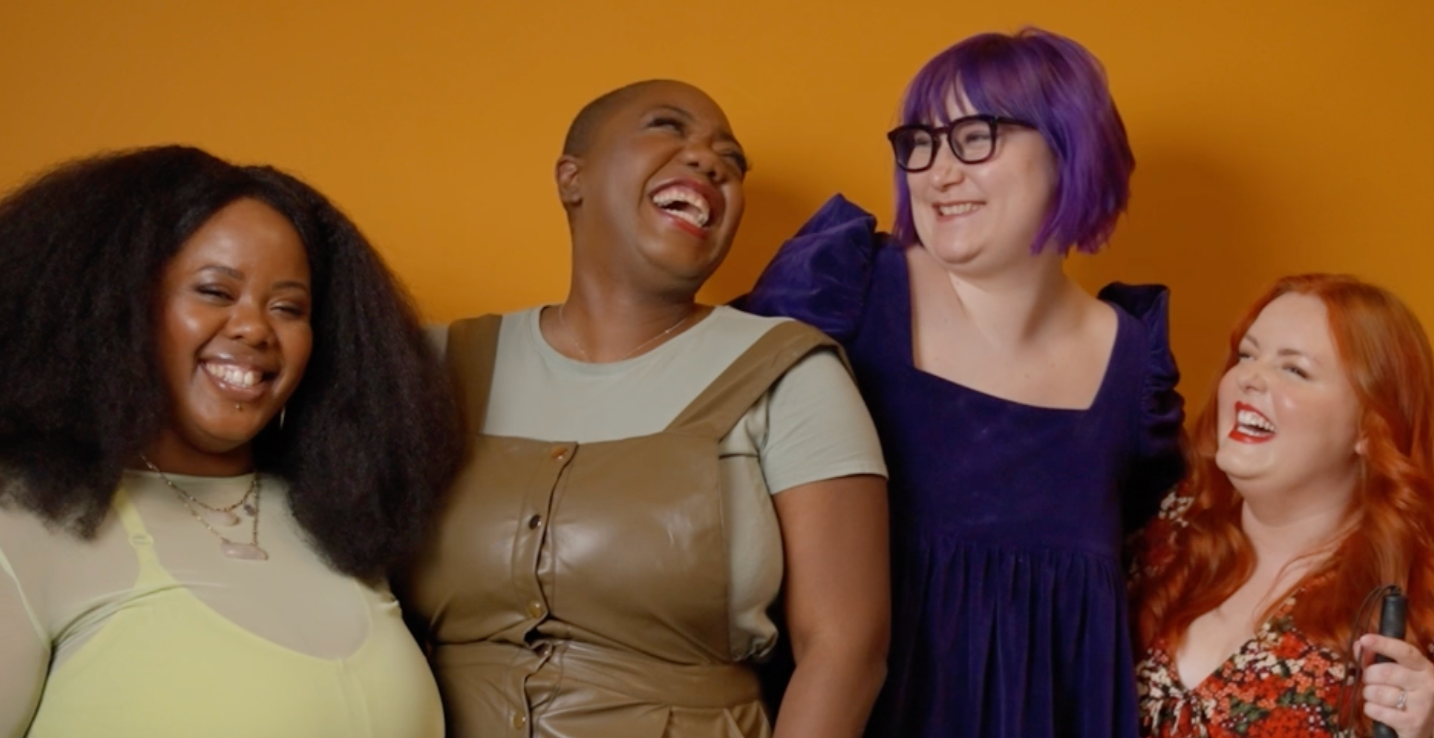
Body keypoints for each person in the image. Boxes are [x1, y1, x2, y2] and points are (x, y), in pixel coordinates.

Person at [398, 79, 891, 738]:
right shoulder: (434, 367)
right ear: (571, 177)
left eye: (730, 160)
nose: (710, 161)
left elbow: (845, 652)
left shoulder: (791, 374)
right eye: (667, 126)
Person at [742, 27, 1185, 738]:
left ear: (1070, 149)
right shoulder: (846, 292)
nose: (937, 172)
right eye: (920, 141)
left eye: (974, 136)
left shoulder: (1136, 369)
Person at [0, 145, 464, 737]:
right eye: (216, 292)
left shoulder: (342, 524)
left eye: (288, 307)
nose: (254, 327)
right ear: (113, 307)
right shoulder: (23, 520)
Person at [1131, 274, 1434, 738]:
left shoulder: (1423, 593)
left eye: (1294, 369)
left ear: (1368, 426)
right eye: (1247, 355)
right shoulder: (1158, 533)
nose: (1249, 378)